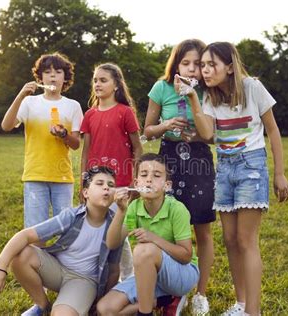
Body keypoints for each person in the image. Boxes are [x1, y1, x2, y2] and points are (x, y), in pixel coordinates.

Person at [183, 42, 288, 316]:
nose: (205, 71)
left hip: (251, 166)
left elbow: (273, 131)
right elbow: (208, 134)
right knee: (230, 240)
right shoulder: (208, 96)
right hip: (225, 168)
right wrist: (193, 99)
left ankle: (253, 312)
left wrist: (279, 173)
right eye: (203, 65)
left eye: (212, 65)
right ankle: (241, 304)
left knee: (246, 240)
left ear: (230, 67)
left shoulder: (253, 87)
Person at [0, 166, 123, 316]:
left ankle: (67, 302)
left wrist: (102, 300)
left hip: (83, 280)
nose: (106, 188)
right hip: (56, 269)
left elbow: (114, 270)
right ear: (85, 193)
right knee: (22, 253)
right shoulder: (72, 216)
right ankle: (41, 304)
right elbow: (25, 236)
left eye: (111, 185)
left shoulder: (116, 227)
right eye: (100, 183)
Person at [143, 39, 215, 314]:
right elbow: (148, 129)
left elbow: (212, 136)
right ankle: (173, 291)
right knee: (169, 228)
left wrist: (194, 134)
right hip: (169, 161)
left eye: (198, 64)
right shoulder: (161, 88)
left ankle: (201, 293)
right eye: (186, 63)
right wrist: (166, 125)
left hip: (198, 160)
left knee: (202, 229)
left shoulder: (208, 92)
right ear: (176, 64)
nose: (192, 69)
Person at [96, 153, 199, 316]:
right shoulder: (134, 207)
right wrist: (121, 211)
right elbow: (112, 243)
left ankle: (145, 313)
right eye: (144, 175)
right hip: (150, 275)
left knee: (144, 250)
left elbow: (186, 256)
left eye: (157, 175)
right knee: (105, 309)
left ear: (167, 185)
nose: (149, 180)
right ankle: (160, 301)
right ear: (136, 183)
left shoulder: (177, 209)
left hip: (182, 274)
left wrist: (154, 239)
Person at [1, 52, 83, 228]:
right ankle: (37, 256)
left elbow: (76, 144)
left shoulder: (73, 106)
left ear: (65, 77)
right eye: (47, 71)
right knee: (35, 229)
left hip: (62, 177)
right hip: (35, 174)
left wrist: (63, 135)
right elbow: (6, 126)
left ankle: (60, 257)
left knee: (65, 228)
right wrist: (20, 96)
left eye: (58, 71)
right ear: (40, 77)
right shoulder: (29, 102)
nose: (52, 75)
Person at [80, 63, 142, 280]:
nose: (97, 84)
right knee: (96, 231)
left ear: (116, 85)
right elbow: (86, 151)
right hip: (95, 184)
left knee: (117, 232)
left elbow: (137, 147)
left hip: (121, 183)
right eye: (95, 80)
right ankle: (97, 277)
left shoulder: (125, 112)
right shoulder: (89, 114)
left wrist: (136, 181)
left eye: (103, 80)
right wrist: (83, 183)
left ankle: (128, 278)